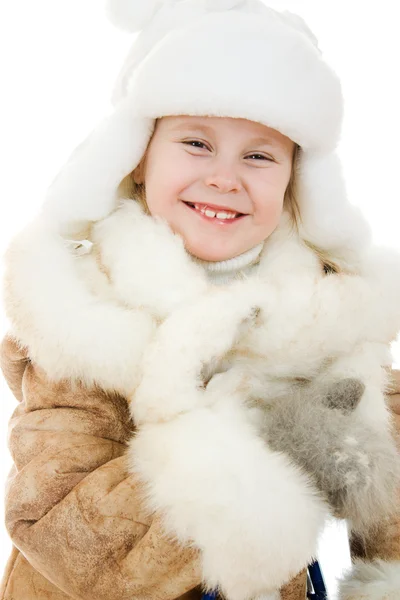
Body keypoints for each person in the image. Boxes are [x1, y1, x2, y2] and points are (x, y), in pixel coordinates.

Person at [1, 1, 400, 599]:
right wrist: (264, 462)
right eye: (196, 142)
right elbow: (54, 521)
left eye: (259, 155)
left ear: (296, 180)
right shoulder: (84, 315)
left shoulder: (327, 311)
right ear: (137, 158)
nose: (224, 177)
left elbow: (385, 474)